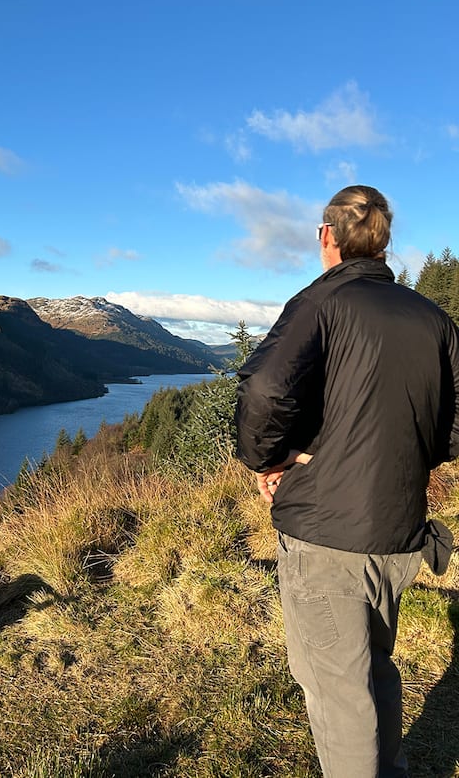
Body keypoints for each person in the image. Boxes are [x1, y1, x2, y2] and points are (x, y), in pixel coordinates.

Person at [234, 185, 459, 778]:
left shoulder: (320, 303)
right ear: (382, 242)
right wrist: (410, 454)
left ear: (325, 236)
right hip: (398, 530)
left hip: (327, 535)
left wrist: (270, 461)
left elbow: (263, 390)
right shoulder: (432, 319)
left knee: (340, 695)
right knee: (374, 670)